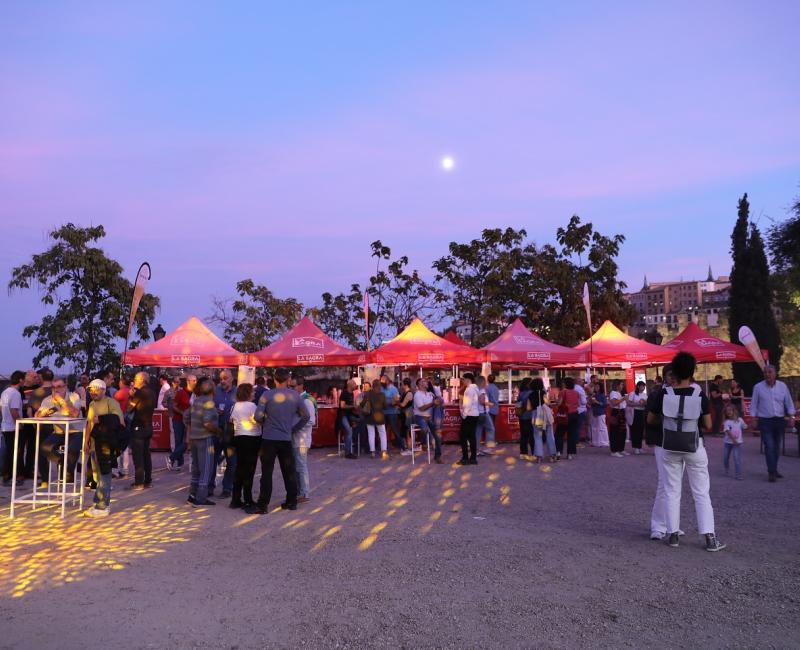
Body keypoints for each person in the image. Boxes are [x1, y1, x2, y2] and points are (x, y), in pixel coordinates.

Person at [647, 351, 726, 552]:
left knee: (671, 490)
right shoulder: (699, 395)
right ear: (692, 371)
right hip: (693, 446)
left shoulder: (663, 394)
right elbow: (707, 424)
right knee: (701, 492)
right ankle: (709, 537)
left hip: (669, 446)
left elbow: (651, 419)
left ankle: (673, 535)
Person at [248, 369, 309, 515]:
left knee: (266, 472)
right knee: (289, 471)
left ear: (274, 379)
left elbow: (257, 416)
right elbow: (305, 416)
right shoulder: (295, 396)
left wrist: (265, 423)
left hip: (269, 438)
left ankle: (263, 505)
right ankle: (291, 502)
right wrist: (294, 428)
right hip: (286, 438)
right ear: (288, 380)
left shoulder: (267, 395)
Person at [83, 379, 125, 517]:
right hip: (95, 445)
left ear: (103, 390)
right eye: (91, 390)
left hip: (106, 445)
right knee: (98, 477)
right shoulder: (91, 404)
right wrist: (86, 441)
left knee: (105, 476)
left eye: (96, 389)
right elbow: (89, 424)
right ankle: (98, 502)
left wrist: (101, 419)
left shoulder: (112, 403)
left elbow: (120, 422)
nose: (93, 392)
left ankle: (103, 506)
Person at [749, 364, 796, 483]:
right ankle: (771, 472)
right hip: (765, 420)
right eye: (765, 372)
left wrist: (792, 416)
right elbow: (754, 404)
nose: (767, 375)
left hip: (779, 420)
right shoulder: (758, 387)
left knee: (776, 446)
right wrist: (753, 418)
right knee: (769, 446)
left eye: (770, 372)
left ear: (775, 374)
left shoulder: (782, 386)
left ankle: (774, 469)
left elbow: (789, 402)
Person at [36, 376, 82, 486]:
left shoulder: (74, 397)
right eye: (53, 387)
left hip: (75, 431)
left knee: (73, 449)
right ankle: (64, 462)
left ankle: (68, 471)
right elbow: (37, 415)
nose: (56, 390)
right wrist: (42, 414)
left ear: (65, 387)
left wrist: (61, 401)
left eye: (59, 387)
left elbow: (75, 413)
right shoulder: (47, 400)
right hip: (58, 432)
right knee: (44, 447)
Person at [185, 378, 220, 507]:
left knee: (196, 468)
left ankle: (192, 495)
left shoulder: (196, 401)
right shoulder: (209, 403)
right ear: (212, 389)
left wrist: (192, 429)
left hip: (194, 438)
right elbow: (206, 423)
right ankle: (201, 498)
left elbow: (186, 416)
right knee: (206, 468)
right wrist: (218, 431)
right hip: (205, 438)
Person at [229, 383, 259, 508]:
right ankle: (248, 499)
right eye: (253, 391)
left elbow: (231, 420)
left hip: (239, 437)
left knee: (240, 469)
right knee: (250, 470)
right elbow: (259, 419)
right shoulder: (252, 406)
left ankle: (235, 498)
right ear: (248, 393)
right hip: (252, 438)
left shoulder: (234, 406)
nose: (254, 393)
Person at [126, 371, 155, 490]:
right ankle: (148, 480)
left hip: (138, 426)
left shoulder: (139, 393)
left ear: (142, 380)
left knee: (138, 455)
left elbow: (129, 408)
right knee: (146, 454)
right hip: (148, 426)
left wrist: (131, 396)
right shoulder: (152, 392)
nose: (134, 381)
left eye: (136, 379)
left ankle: (139, 482)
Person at [212, 370, 237, 498]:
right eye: (221, 378)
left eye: (225, 378)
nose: (222, 381)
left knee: (231, 461)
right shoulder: (215, 391)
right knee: (212, 459)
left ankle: (227, 488)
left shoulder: (238, 392)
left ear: (232, 379)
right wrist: (214, 409)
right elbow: (208, 406)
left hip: (231, 432)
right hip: (216, 431)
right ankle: (210, 487)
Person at [291, 376, 316, 504]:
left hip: (302, 439)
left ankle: (305, 492)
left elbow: (311, 420)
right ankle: (300, 491)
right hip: (296, 439)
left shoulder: (306, 401)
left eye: (293, 386)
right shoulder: (296, 400)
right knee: (297, 465)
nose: (291, 388)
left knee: (301, 465)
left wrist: (295, 427)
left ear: (301, 386)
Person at [1, 371, 25, 487]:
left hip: (5, 426)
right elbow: (14, 410)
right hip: (13, 427)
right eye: (23, 379)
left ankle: (7, 475)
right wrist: (19, 424)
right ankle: (17, 476)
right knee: (17, 452)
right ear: (20, 380)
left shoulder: (5, 392)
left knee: (9, 452)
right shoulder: (16, 393)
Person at [413, 377, 442, 463]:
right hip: (420, 416)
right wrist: (433, 403)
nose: (426, 382)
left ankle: (438, 456)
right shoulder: (417, 394)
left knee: (438, 437)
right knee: (424, 429)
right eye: (423, 381)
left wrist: (438, 401)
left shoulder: (430, 394)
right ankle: (423, 442)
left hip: (430, 417)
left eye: (425, 381)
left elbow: (439, 401)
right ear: (419, 385)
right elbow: (421, 408)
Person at [530, 377, 556, 462]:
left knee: (538, 435)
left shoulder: (530, 395)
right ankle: (552, 455)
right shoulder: (543, 393)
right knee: (549, 434)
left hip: (537, 416)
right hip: (546, 415)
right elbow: (547, 402)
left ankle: (539, 456)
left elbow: (528, 407)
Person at [167, 377, 190, 471]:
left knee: (186, 442)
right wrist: (182, 413)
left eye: (178, 382)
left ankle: (172, 458)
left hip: (188, 421)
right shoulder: (179, 392)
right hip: (178, 420)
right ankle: (179, 463)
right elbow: (173, 406)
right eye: (176, 382)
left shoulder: (194, 394)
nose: (177, 383)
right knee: (179, 441)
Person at [361, 380, 388, 459]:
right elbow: (385, 407)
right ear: (379, 386)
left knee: (371, 434)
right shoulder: (382, 395)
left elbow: (362, 404)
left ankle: (372, 452)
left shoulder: (368, 394)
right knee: (382, 434)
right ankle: (383, 452)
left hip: (370, 417)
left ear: (372, 385)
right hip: (380, 417)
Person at [379, 375, 404, 454]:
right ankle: (383, 448)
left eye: (383, 382)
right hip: (383, 412)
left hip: (392, 412)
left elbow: (397, 400)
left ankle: (402, 447)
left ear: (387, 381)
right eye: (381, 382)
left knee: (395, 430)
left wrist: (390, 403)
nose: (381, 383)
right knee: (382, 431)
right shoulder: (381, 389)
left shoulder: (394, 389)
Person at [458, 372, 480, 465]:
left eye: (463, 379)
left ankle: (465, 458)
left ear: (468, 379)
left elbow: (467, 404)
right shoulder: (475, 388)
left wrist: (464, 415)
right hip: (475, 414)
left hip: (469, 415)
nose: (463, 381)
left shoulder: (469, 390)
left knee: (463, 437)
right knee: (472, 437)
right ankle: (473, 458)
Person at [558, 377, 581, 460]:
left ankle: (559, 452)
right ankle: (570, 454)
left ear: (565, 383)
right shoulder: (576, 393)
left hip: (565, 415)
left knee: (559, 434)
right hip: (574, 414)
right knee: (571, 434)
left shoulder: (563, 392)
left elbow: (559, 403)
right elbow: (578, 403)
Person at [722, 404, 745, 480]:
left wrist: (751, 425)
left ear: (734, 411)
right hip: (728, 443)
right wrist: (734, 440)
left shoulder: (740, 420)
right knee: (725, 458)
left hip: (737, 443)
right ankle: (726, 468)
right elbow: (728, 432)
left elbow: (745, 426)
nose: (728, 412)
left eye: (730, 410)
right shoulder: (726, 422)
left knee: (736, 458)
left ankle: (738, 474)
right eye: (726, 411)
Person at [475, 376, 496, 456]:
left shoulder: (476, 390)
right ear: (483, 382)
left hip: (478, 413)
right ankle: (489, 448)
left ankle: (476, 449)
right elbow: (482, 401)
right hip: (484, 413)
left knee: (478, 431)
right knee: (491, 429)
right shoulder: (482, 390)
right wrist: (490, 404)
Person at [338, 379, 358, 459]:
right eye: (354, 384)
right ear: (350, 385)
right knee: (349, 431)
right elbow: (342, 406)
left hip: (349, 416)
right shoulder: (344, 393)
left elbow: (350, 405)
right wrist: (353, 406)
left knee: (350, 431)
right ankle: (348, 452)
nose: (356, 385)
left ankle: (349, 450)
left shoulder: (352, 393)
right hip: (343, 415)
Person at [516, 377, 535, 460]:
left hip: (522, 416)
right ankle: (534, 452)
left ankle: (523, 453)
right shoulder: (532, 392)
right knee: (532, 435)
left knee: (523, 435)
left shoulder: (521, 393)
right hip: (531, 416)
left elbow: (518, 404)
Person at [607, 380, 627, 458]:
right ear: (617, 385)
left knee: (622, 431)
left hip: (621, 411)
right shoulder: (613, 393)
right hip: (616, 412)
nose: (622, 386)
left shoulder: (619, 393)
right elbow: (614, 403)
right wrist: (623, 399)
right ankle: (614, 450)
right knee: (615, 432)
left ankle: (621, 449)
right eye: (621, 384)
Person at [627, 381, 647, 454]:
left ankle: (640, 446)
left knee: (641, 429)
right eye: (642, 386)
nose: (643, 388)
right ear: (638, 386)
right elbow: (628, 403)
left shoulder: (645, 395)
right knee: (635, 429)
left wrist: (644, 403)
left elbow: (647, 403)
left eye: (644, 386)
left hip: (642, 412)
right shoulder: (633, 394)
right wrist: (637, 404)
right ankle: (635, 447)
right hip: (635, 412)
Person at [589, 383, 610, 448]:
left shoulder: (602, 395)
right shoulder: (594, 395)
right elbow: (591, 403)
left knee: (602, 427)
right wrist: (591, 399)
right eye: (595, 386)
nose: (596, 387)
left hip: (601, 413)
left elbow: (605, 404)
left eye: (597, 386)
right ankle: (596, 442)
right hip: (594, 412)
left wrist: (596, 402)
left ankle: (604, 442)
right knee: (594, 428)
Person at [398, 378, 415, 454]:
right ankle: (408, 448)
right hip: (405, 414)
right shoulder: (405, 392)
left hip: (407, 414)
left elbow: (403, 404)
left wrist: (396, 402)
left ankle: (409, 448)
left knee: (407, 431)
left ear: (405, 385)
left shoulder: (409, 393)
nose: (401, 386)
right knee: (406, 431)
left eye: (402, 384)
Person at [485, 374, 500, 449]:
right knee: (492, 425)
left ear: (487, 380)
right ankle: (492, 440)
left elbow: (486, 399)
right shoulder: (496, 388)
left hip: (489, 408)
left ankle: (490, 442)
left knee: (489, 426)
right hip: (495, 407)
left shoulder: (487, 388)